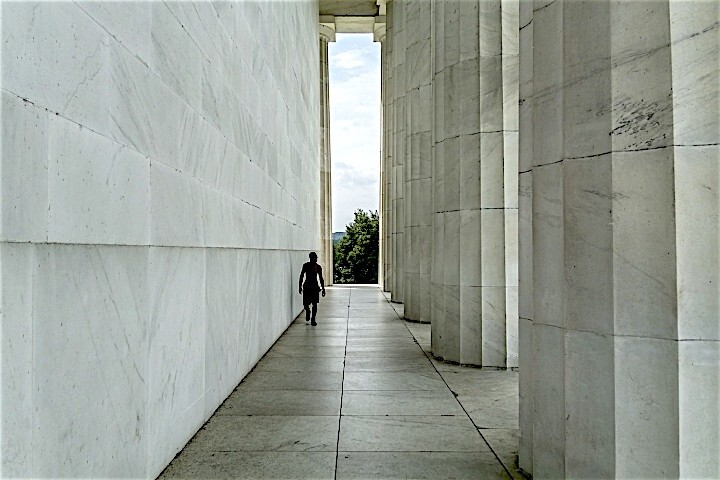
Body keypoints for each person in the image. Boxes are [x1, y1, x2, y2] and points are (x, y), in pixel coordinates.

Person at [299, 252, 326, 326]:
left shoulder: (318, 267)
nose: (315, 259)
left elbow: (321, 278)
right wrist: (300, 286)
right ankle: (307, 311)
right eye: (314, 258)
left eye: (316, 258)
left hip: (314, 287)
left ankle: (313, 318)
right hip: (307, 286)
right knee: (305, 303)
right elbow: (301, 276)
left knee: (315, 304)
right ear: (310, 258)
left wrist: (323, 288)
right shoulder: (306, 266)